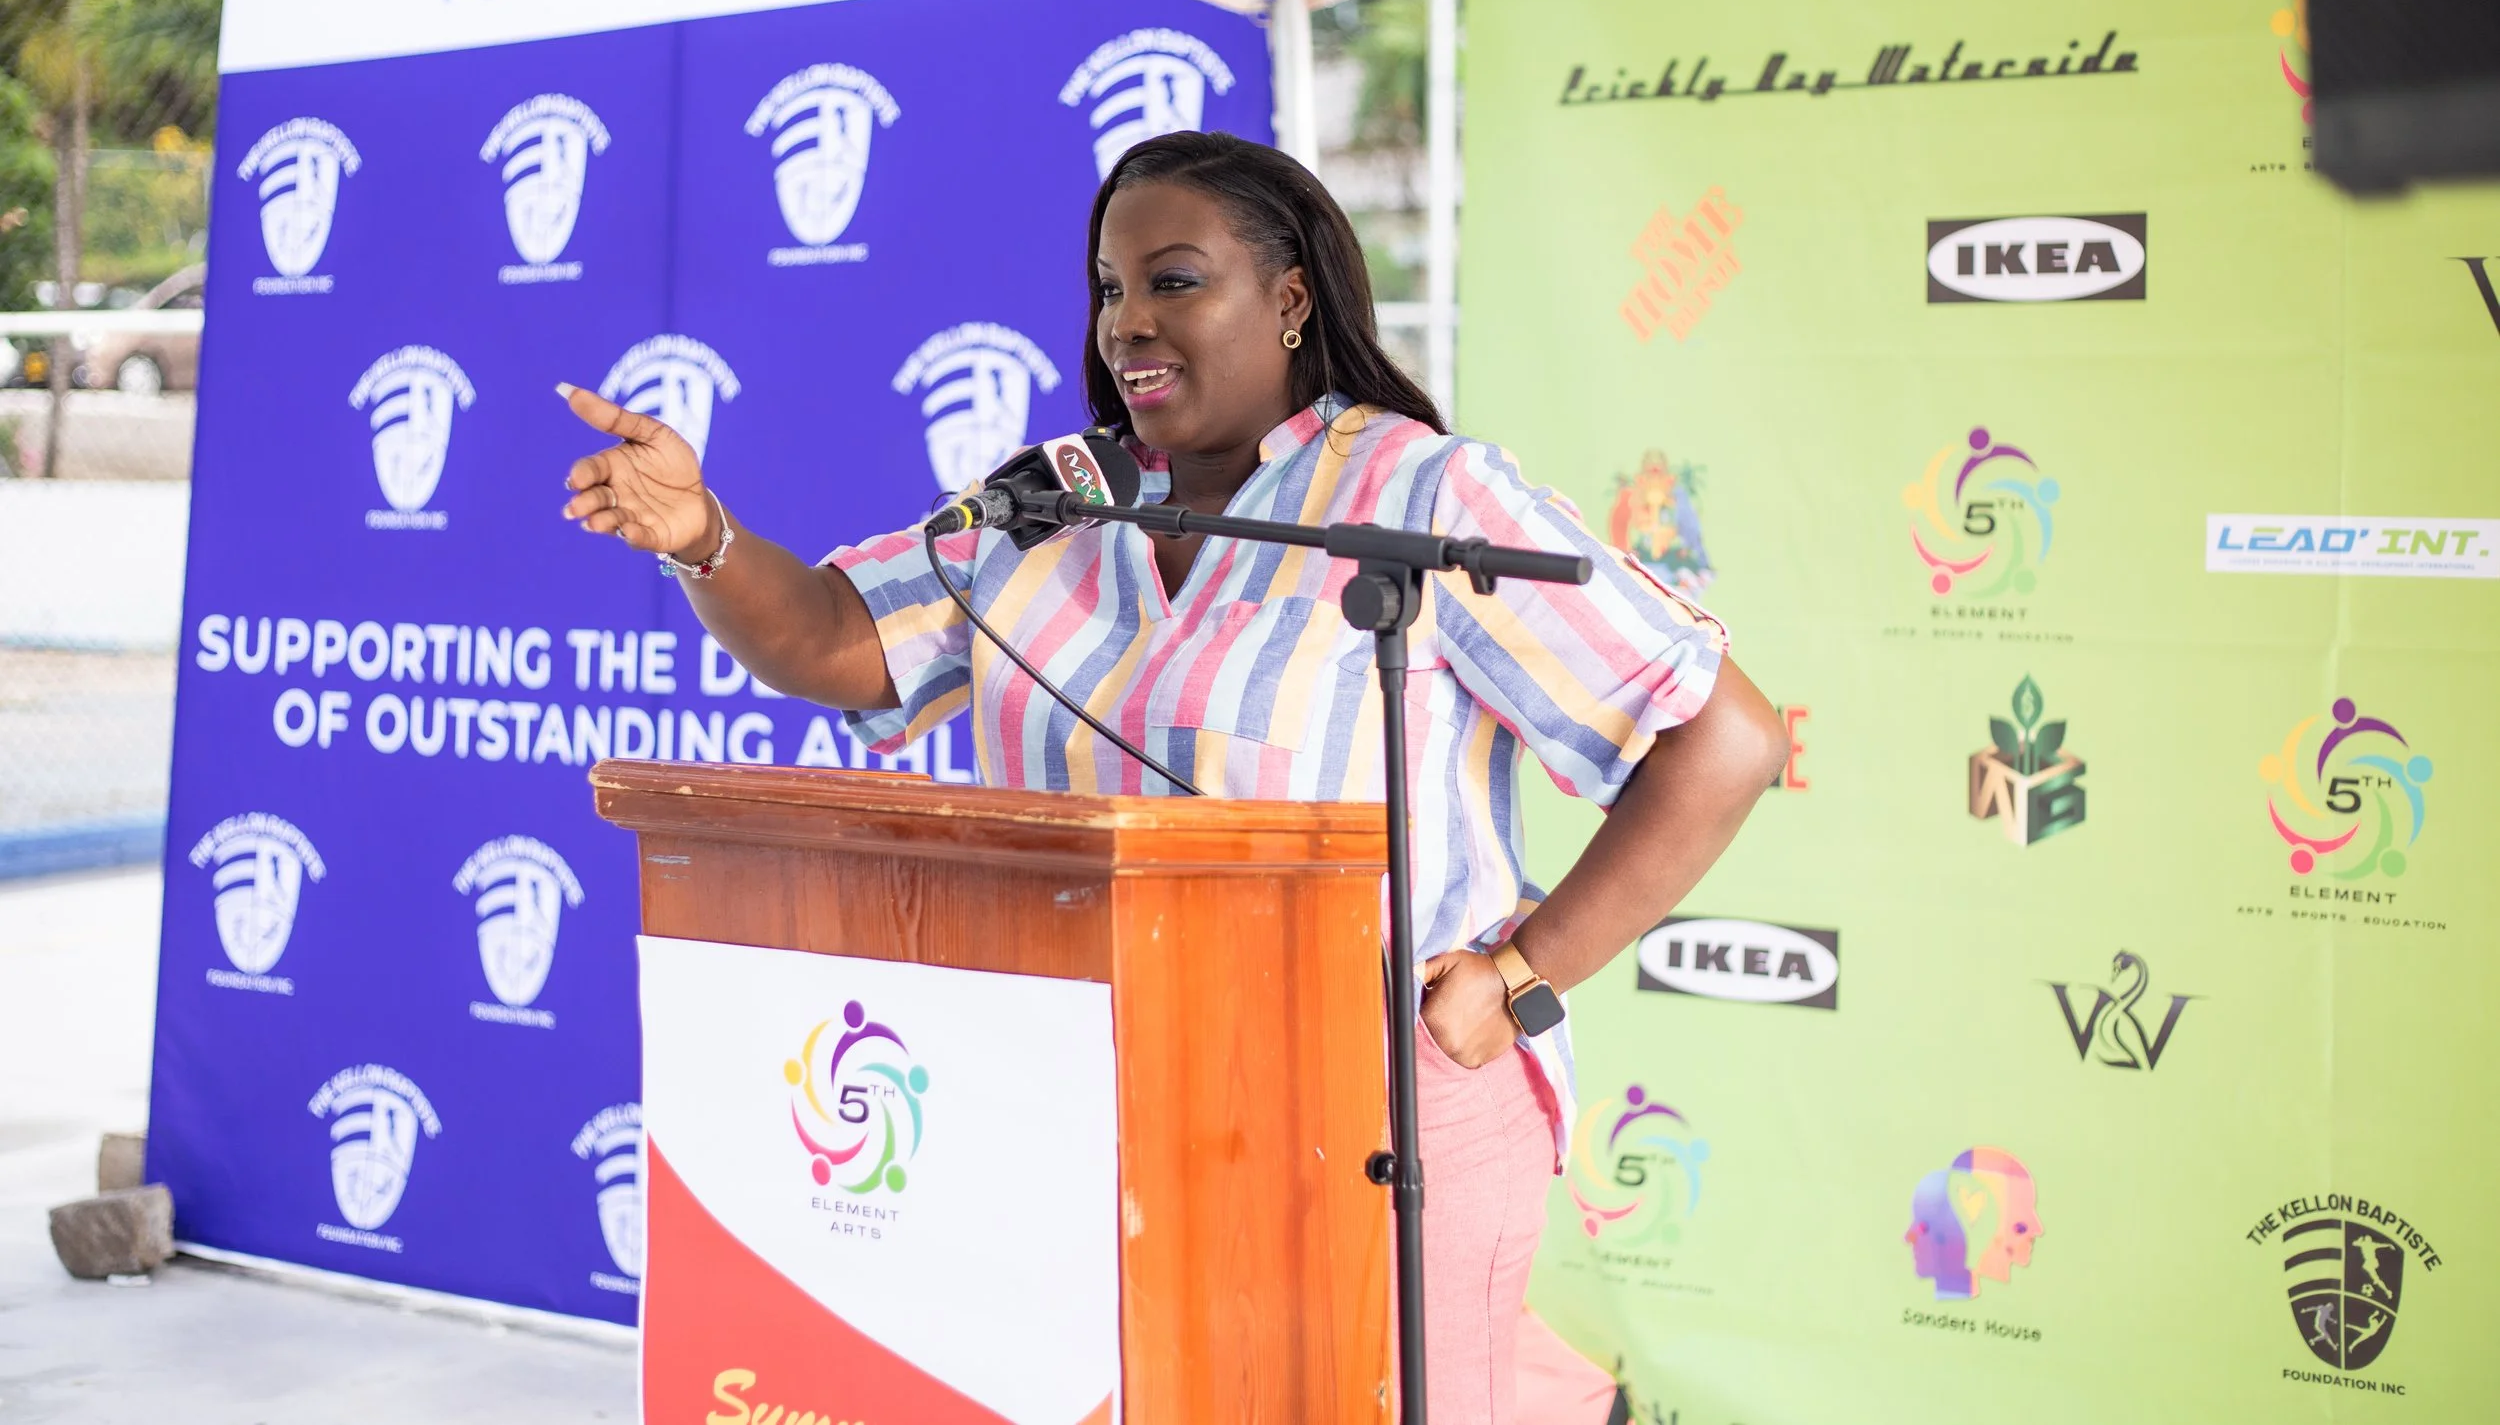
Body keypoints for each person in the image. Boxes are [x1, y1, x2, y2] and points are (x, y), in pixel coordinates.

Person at [555, 130, 1789, 1425]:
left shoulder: (1419, 494)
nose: (1127, 321)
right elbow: (830, 636)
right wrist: (702, 534)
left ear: (1291, 299)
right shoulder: (1048, 506)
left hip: (1374, 1110)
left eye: (1174, 280)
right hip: (1082, 1110)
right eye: (1109, 288)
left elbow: (1726, 736)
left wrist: (1523, 975)